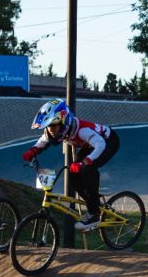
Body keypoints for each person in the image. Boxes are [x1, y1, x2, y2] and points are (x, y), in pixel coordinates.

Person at [21, 99, 120, 231]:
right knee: (73, 176)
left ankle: (94, 214)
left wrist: (86, 161)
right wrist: (32, 151)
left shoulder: (82, 130)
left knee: (87, 169)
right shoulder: (58, 130)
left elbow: (100, 145)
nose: (51, 131)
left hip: (107, 142)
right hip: (89, 145)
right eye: (48, 127)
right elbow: (43, 140)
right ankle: (94, 199)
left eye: (53, 126)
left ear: (63, 123)